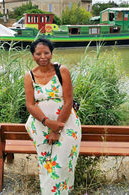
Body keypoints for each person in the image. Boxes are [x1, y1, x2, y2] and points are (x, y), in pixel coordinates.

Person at [24, 38, 81, 195]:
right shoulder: (29, 76)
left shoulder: (62, 71)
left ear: (52, 53)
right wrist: (48, 122)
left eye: (46, 53)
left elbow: (69, 101)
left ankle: (60, 192)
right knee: (46, 163)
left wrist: (56, 129)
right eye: (38, 53)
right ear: (32, 56)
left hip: (66, 124)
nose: (43, 57)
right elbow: (30, 104)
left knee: (62, 163)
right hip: (40, 125)